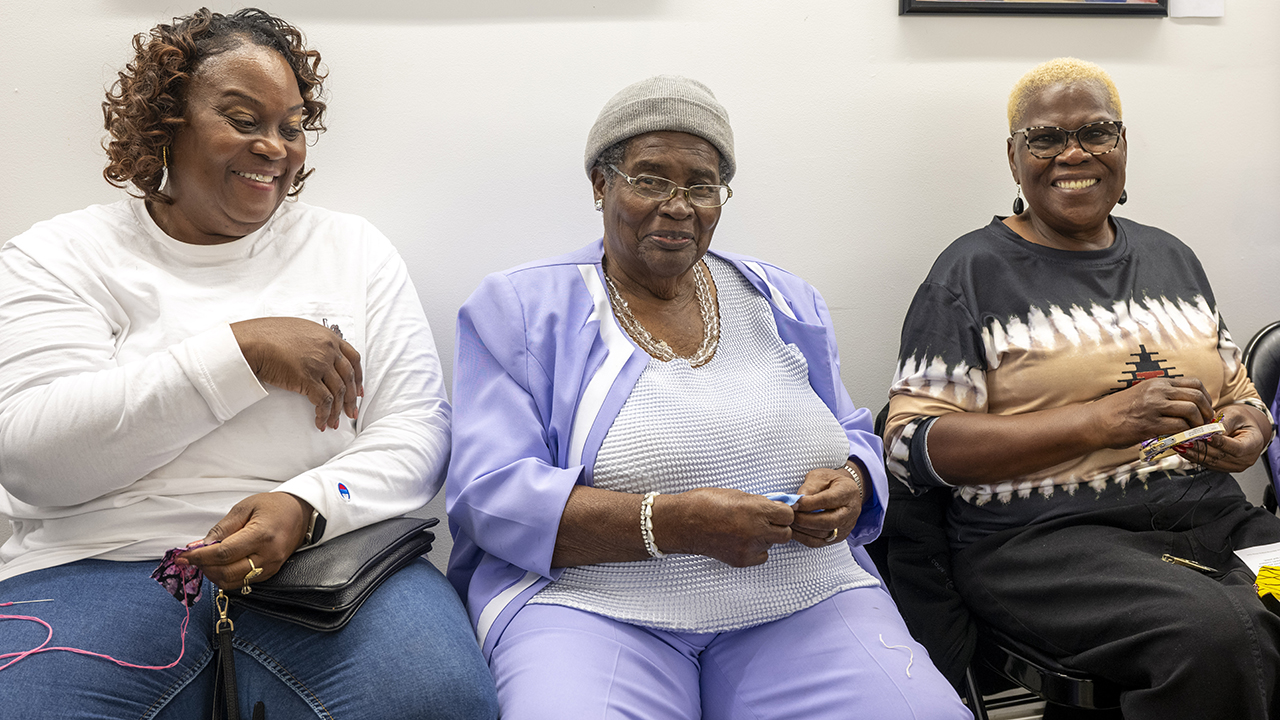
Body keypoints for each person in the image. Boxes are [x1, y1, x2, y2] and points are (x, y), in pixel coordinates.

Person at [0, 9, 497, 718]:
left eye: (291, 126)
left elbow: (417, 431)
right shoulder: (62, 256)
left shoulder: (350, 250)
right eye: (242, 119)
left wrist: (312, 506)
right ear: (166, 121)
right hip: (95, 557)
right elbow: (35, 459)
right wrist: (243, 352)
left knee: (436, 699)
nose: (274, 147)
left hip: (325, 562)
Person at [445, 75, 970, 720]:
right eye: (648, 178)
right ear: (600, 184)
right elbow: (490, 495)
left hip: (804, 595)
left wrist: (853, 483)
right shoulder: (522, 308)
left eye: (700, 183)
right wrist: (673, 523)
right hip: (593, 605)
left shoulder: (782, 300)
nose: (677, 204)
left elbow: (855, 434)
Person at [885, 57, 1280, 720]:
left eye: (1096, 132)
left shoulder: (1172, 258)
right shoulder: (968, 274)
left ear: (1122, 148)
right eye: (1045, 138)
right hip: (1047, 544)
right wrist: (1102, 421)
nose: (1074, 153)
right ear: (1015, 159)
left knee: (1262, 603)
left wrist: (1250, 431)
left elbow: (1241, 391)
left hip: (1208, 522)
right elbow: (912, 447)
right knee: (1215, 636)